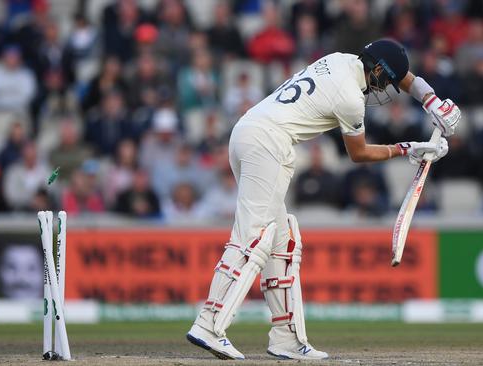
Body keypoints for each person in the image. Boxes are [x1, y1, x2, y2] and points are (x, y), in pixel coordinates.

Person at [186, 39, 460, 360]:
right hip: (269, 143)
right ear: (375, 69)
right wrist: (407, 149)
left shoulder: (341, 60)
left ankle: (286, 339)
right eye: (384, 80)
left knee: (283, 244)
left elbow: (405, 76)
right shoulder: (350, 99)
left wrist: (432, 101)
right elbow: (358, 153)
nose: (383, 87)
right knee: (254, 236)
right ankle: (209, 324)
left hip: (248, 132)